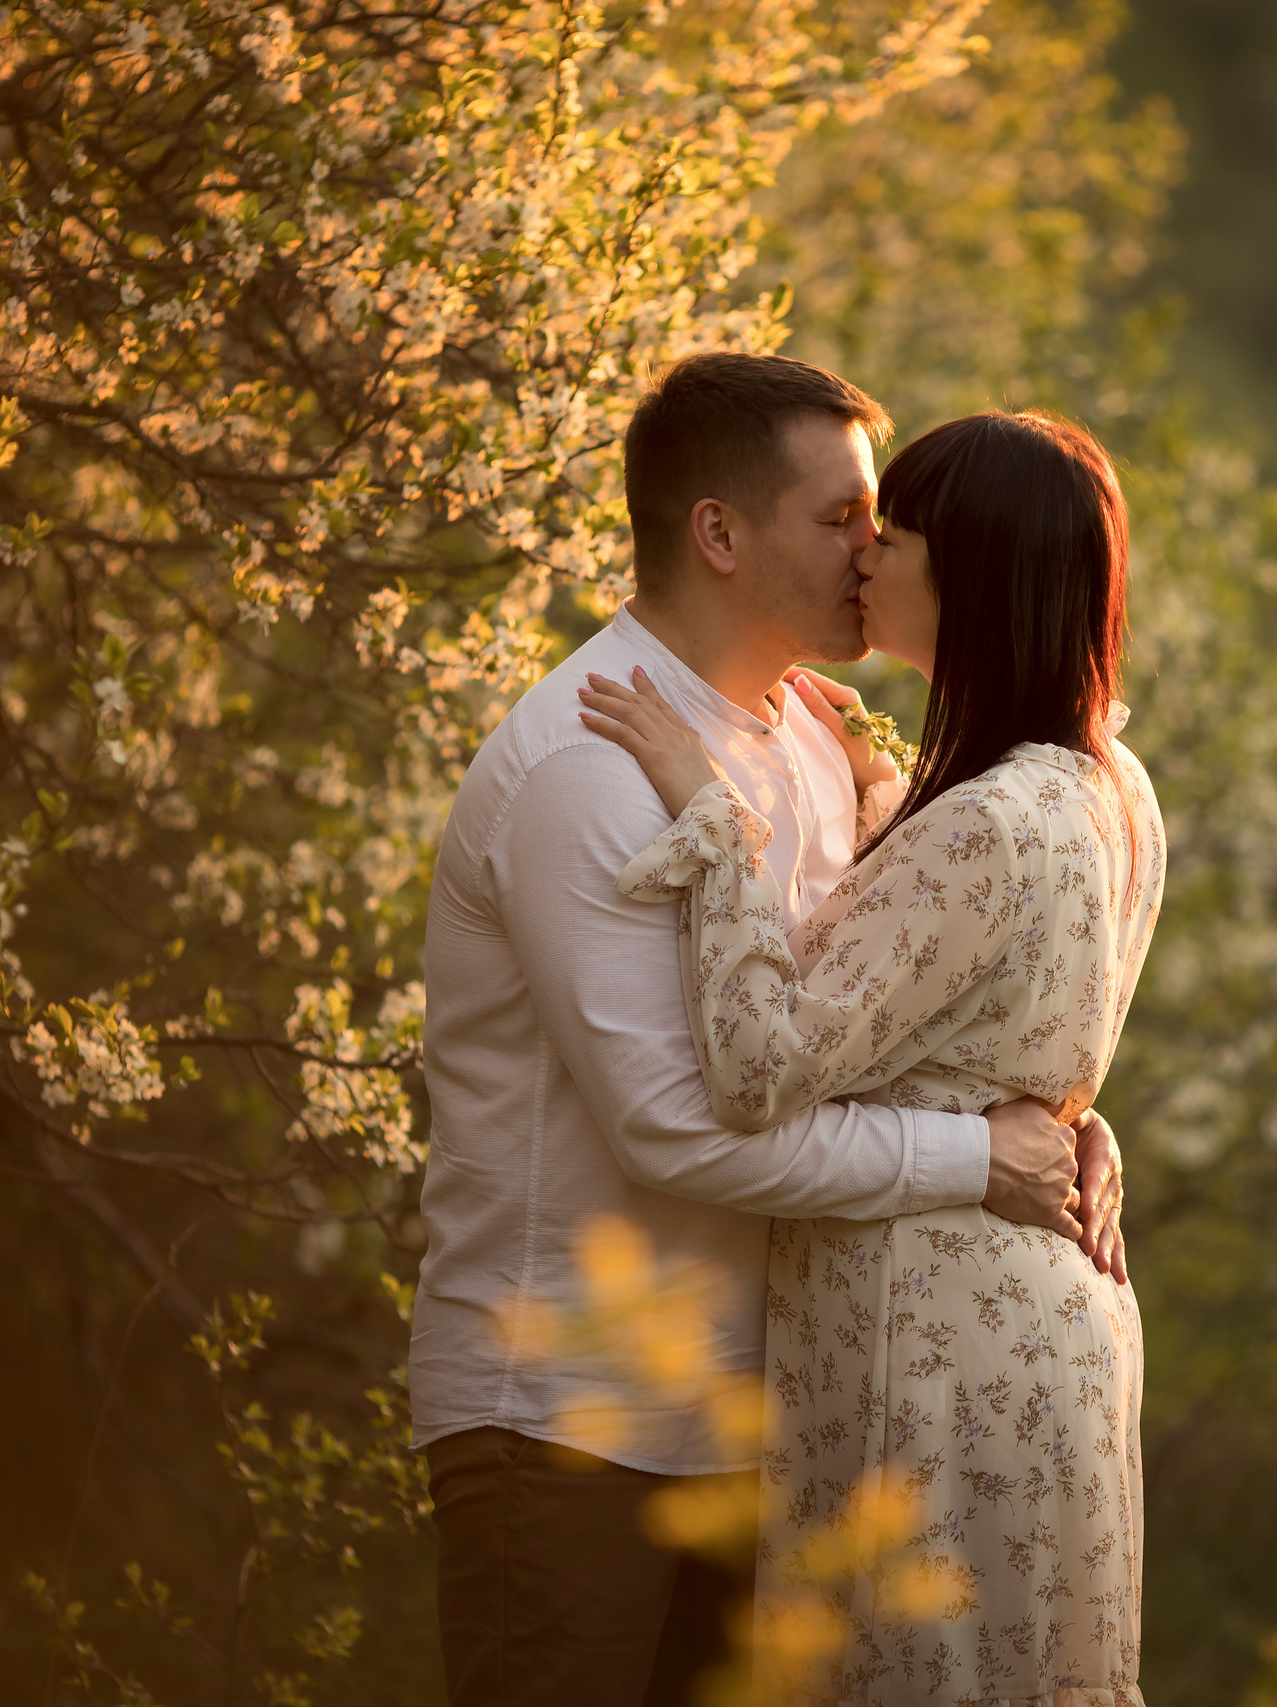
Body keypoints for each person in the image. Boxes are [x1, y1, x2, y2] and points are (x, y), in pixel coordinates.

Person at [409, 352, 1126, 1707]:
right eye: (842, 515)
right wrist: (980, 1161)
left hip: (769, 1419)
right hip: (571, 1419)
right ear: (720, 535)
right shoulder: (590, 764)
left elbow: (880, 1021)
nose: (873, 547)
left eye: (877, 519)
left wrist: (1067, 1128)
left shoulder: (802, 736)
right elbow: (680, 1128)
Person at [579, 409, 1161, 1704]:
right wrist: (876, 783)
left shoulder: (994, 825)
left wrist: (715, 823)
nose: (861, 557)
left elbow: (760, 1060)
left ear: (969, 573)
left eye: (888, 534)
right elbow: (994, 1000)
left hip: (935, 1341)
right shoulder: (1108, 782)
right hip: (1046, 1328)